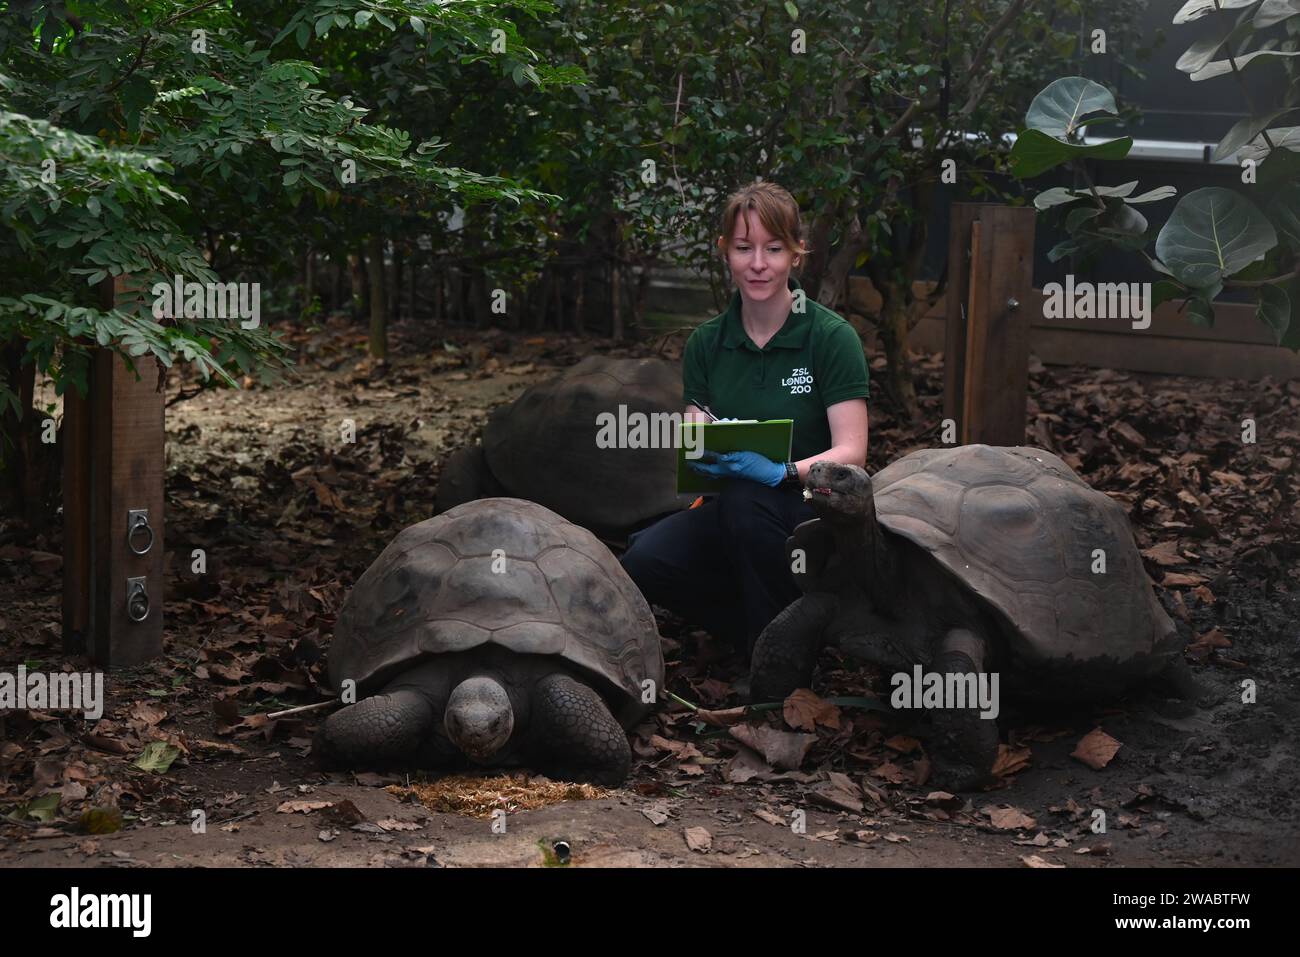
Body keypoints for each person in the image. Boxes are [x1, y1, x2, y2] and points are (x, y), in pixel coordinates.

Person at [620, 181, 869, 661]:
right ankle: (774, 633)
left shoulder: (831, 338)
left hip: (813, 510)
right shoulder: (707, 343)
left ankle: (777, 665)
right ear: (724, 252)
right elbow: (697, 429)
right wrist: (701, 446)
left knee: (746, 502)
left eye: (774, 249)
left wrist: (781, 471)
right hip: (735, 505)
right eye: (744, 248)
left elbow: (853, 452)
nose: (759, 264)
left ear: (797, 254)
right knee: (646, 558)